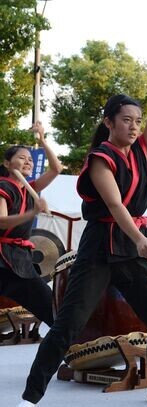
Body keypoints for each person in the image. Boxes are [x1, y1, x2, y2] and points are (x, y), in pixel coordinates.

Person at [18, 46, 147, 407]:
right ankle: (29, 399)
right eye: (126, 120)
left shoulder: (141, 150)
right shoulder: (100, 159)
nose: (135, 126)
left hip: (130, 251)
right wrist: (140, 239)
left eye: (137, 121)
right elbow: (114, 205)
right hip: (99, 250)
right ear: (108, 122)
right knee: (67, 326)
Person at [1, 122, 61, 329]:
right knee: (53, 311)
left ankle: (70, 346)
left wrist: (43, 140)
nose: (28, 162)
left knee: (52, 309)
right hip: (3, 258)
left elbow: (56, 169)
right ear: (7, 163)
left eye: (30, 159)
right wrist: (33, 212)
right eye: (21, 158)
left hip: (17, 259)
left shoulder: (29, 188)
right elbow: (0, 221)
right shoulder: (3, 186)